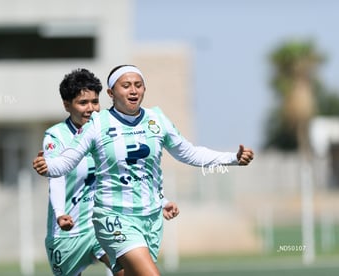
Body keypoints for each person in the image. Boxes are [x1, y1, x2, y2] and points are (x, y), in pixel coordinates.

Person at [33, 65, 254, 276]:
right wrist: (48, 169)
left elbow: (188, 153)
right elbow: (62, 167)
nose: (133, 90)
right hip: (111, 218)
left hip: (147, 220)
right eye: (126, 85)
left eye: (138, 84)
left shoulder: (156, 120)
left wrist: (232, 158)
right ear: (112, 92)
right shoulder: (94, 126)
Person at [42, 68, 179, 276]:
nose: (90, 109)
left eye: (95, 102)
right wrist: (60, 213)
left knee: (129, 271)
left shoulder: (106, 130)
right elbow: (57, 177)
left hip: (106, 223)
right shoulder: (56, 136)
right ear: (67, 105)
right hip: (68, 233)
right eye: (83, 103)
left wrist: (162, 200)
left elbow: (131, 174)